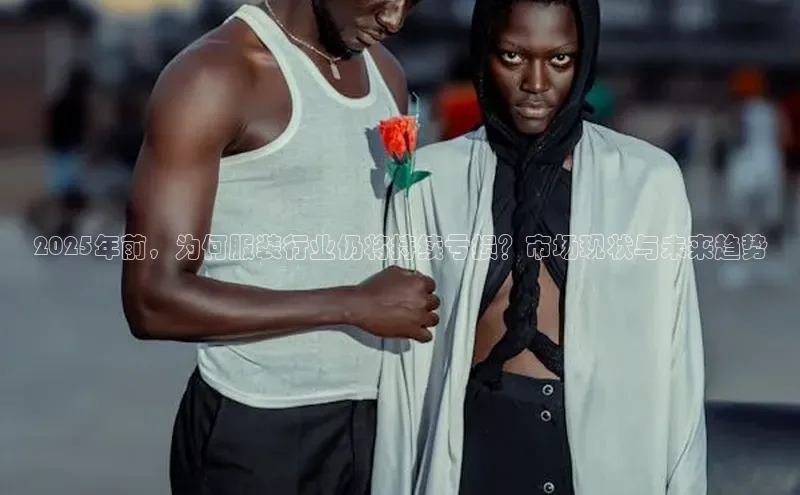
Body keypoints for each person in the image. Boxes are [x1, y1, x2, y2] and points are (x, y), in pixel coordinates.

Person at [371, 0, 706, 494]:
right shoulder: (429, 182)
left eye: (560, 59)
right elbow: (403, 374)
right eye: (512, 56)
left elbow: (679, 363)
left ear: (584, 58)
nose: (535, 82)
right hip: (473, 456)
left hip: (607, 461)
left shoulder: (647, 182)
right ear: (484, 52)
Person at [120, 1, 436, 494]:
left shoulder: (387, 74)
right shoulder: (215, 76)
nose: (395, 20)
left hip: (377, 419)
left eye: (410, 3)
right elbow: (151, 301)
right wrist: (352, 305)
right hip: (258, 425)